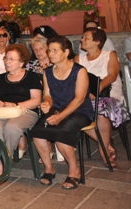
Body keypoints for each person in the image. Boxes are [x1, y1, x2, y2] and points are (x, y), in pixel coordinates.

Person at [30, 36, 94, 190]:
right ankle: (49, 168)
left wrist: (60, 117)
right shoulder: (48, 72)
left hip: (79, 111)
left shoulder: (79, 71)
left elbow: (79, 99)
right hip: (57, 110)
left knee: (61, 133)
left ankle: (74, 170)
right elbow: (47, 94)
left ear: (66, 52)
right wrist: (47, 103)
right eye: (49, 50)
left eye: (54, 50)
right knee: (37, 132)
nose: (50, 54)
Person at [77, 27, 129, 167]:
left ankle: (104, 152)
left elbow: (112, 75)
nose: (82, 40)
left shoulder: (109, 55)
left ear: (97, 41)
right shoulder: (79, 58)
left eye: (86, 37)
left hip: (108, 92)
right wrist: (87, 92)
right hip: (87, 94)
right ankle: (106, 144)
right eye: (82, 37)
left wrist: (97, 89)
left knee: (101, 113)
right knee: (74, 112)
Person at [0, 44, 42, 161]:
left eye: (11, 59)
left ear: (21, 62)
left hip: (26, 111)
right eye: (6, 58)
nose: (7, 62)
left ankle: (5, 160)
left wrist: (16, 105)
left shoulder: (31, 77)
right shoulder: (1, 78)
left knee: (11, 127)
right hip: (3, 112)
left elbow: (36, 100)